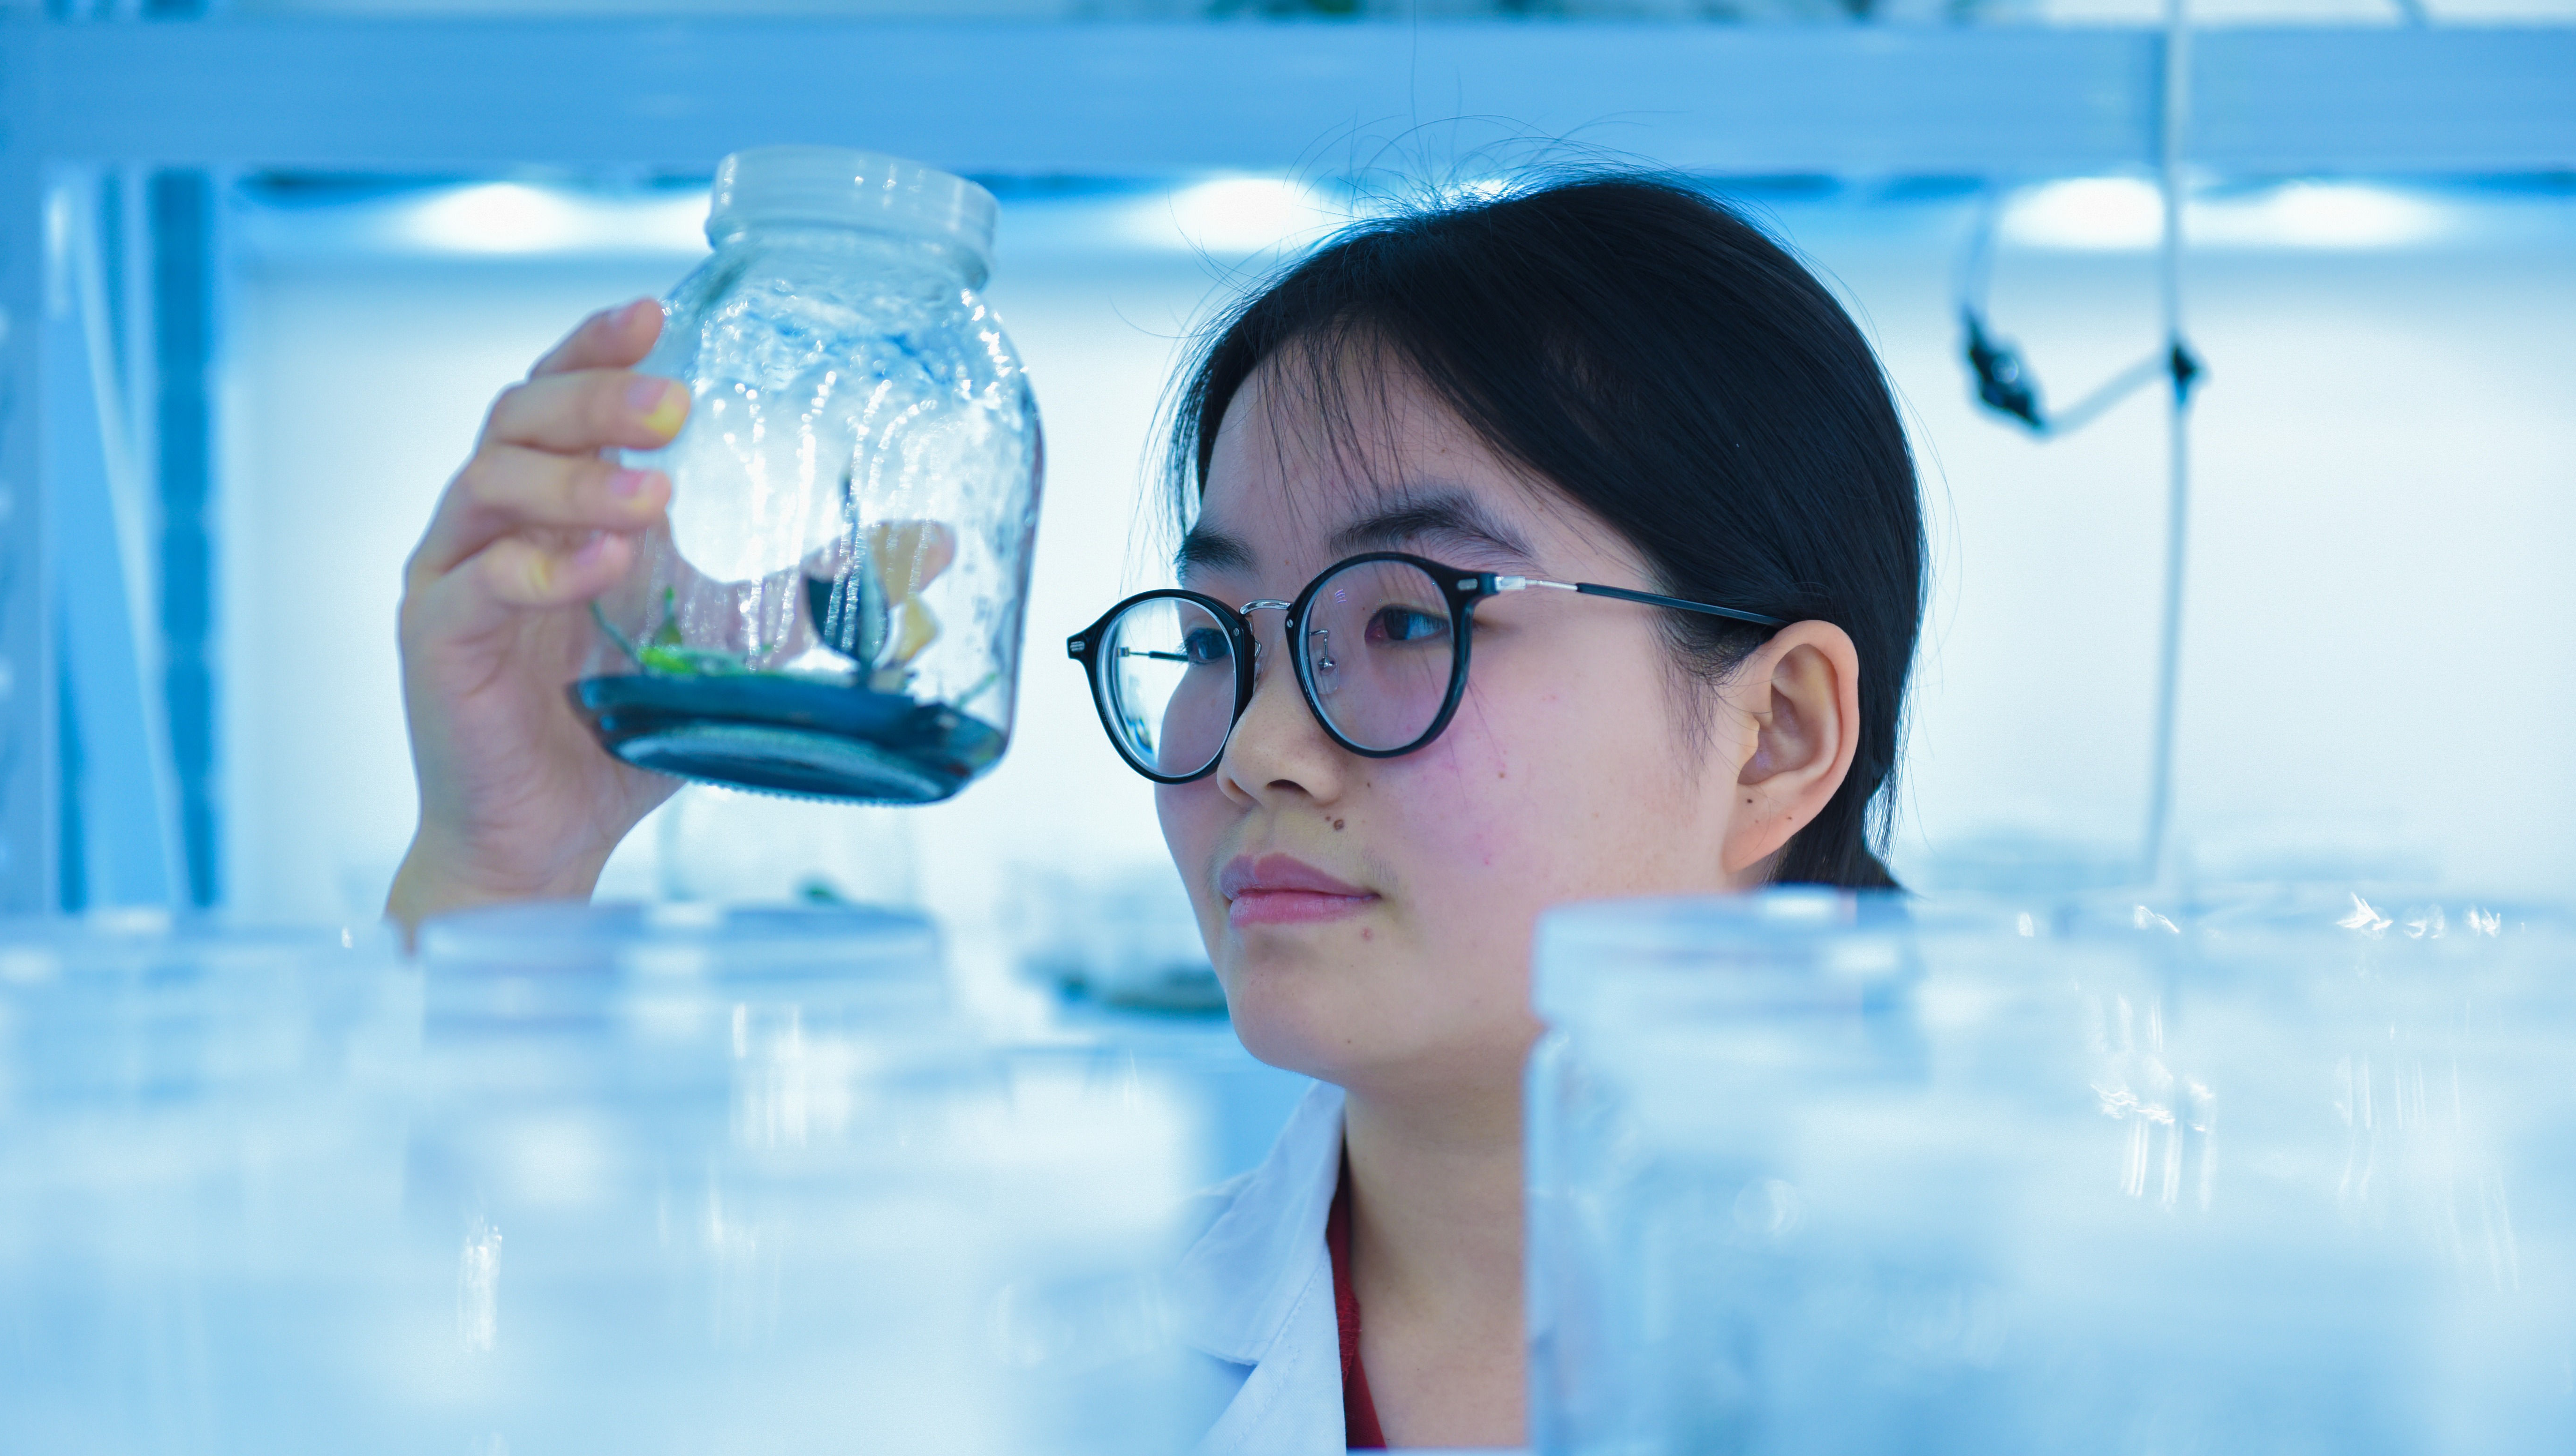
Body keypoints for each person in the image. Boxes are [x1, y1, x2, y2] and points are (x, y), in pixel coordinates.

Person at [388, 171, 1924, 1451]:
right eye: (1212, 636)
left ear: (1777, 737)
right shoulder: (1014, 1367)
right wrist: (505, 859)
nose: (1254, 745)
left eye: (1405, 618)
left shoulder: (2010, 1370)